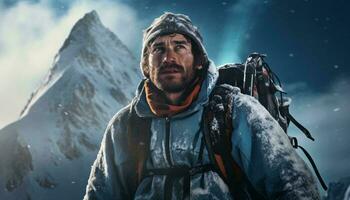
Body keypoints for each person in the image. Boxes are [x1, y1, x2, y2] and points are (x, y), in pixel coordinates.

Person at [84, 12, 320, 200]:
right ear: (146, 65)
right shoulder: (125, 125)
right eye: (158, 49)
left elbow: (294, 186)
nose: (169, 58)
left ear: (199, 61)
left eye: (179, 46)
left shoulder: (234, 111)